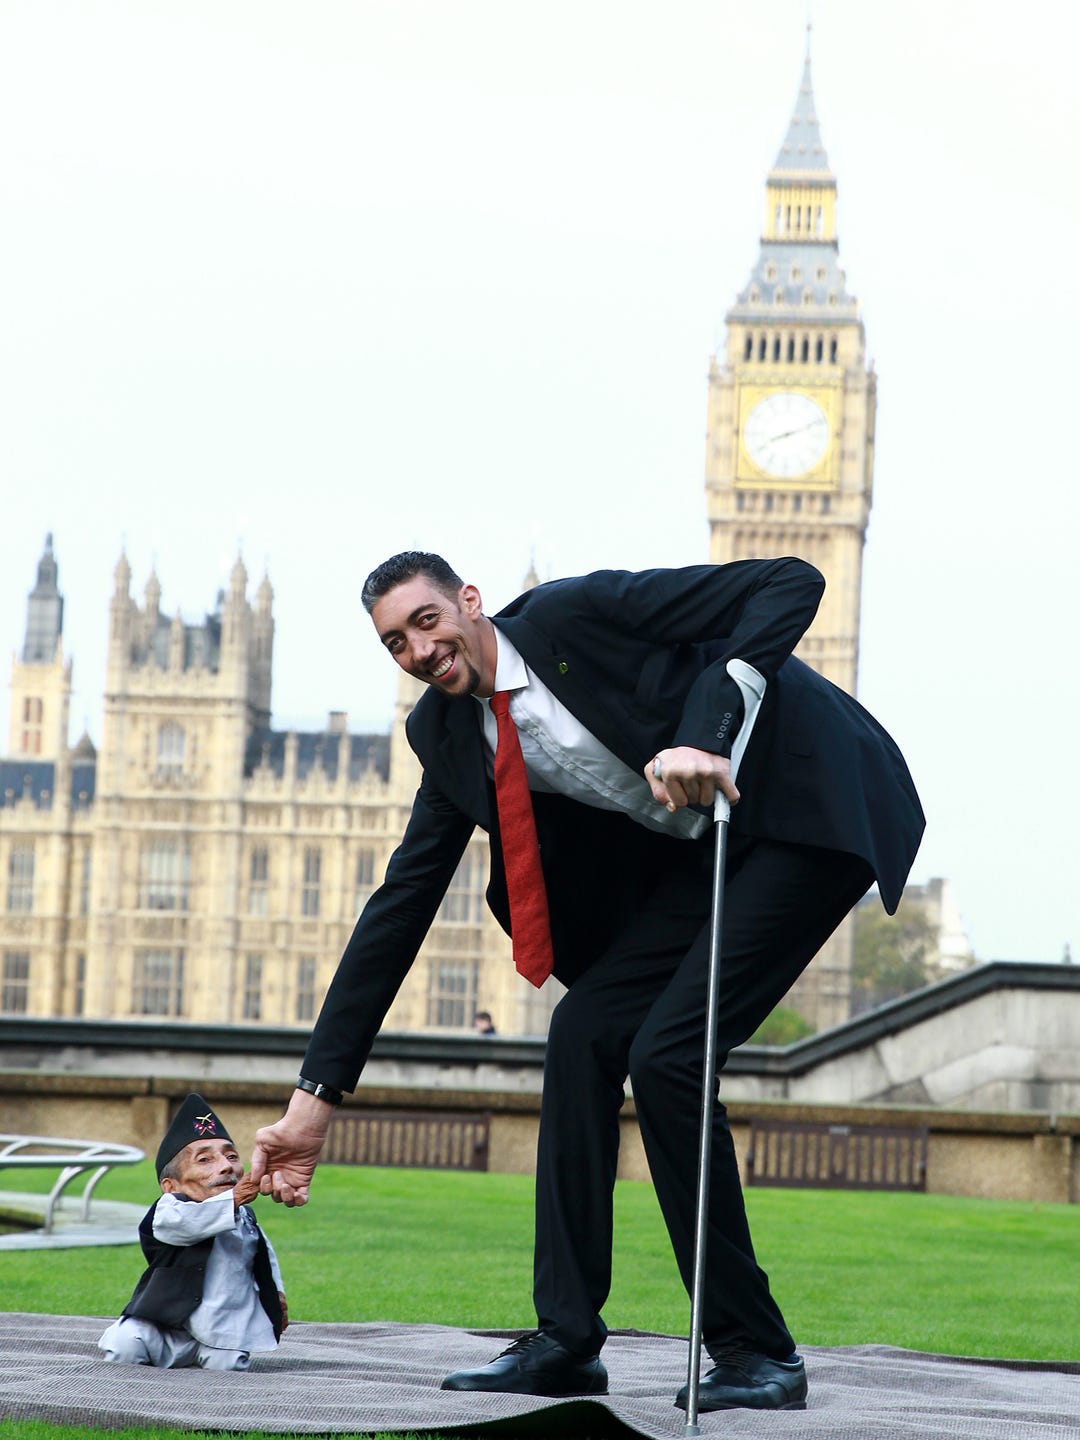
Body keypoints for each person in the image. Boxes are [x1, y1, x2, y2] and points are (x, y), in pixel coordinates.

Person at [251, 552, 923, 1412]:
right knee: (581, 1034)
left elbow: (790, 580)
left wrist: (708, 732)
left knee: (670, 1056)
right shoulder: (448, 736)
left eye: (426, 622)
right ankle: (566, 1341)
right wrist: (315, 1099)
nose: (418, 650)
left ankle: (756, 1352)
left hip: (805, 808)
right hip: (703, 858)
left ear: (468, 601)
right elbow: (398, 908)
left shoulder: (580, 615)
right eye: (394, 644)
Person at [100, 1093, 287, 1371]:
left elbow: (263, 1255)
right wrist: (234, 1199)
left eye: (232, 1156)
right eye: (204, 1160)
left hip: (222, 1327)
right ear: (170, 1185)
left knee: (229, 1367)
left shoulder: (245, 1217)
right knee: (125, 1345)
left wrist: (277, 1296)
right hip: (162, 1322)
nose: (226, 1166)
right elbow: (188, 1225)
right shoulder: (169, 1210)